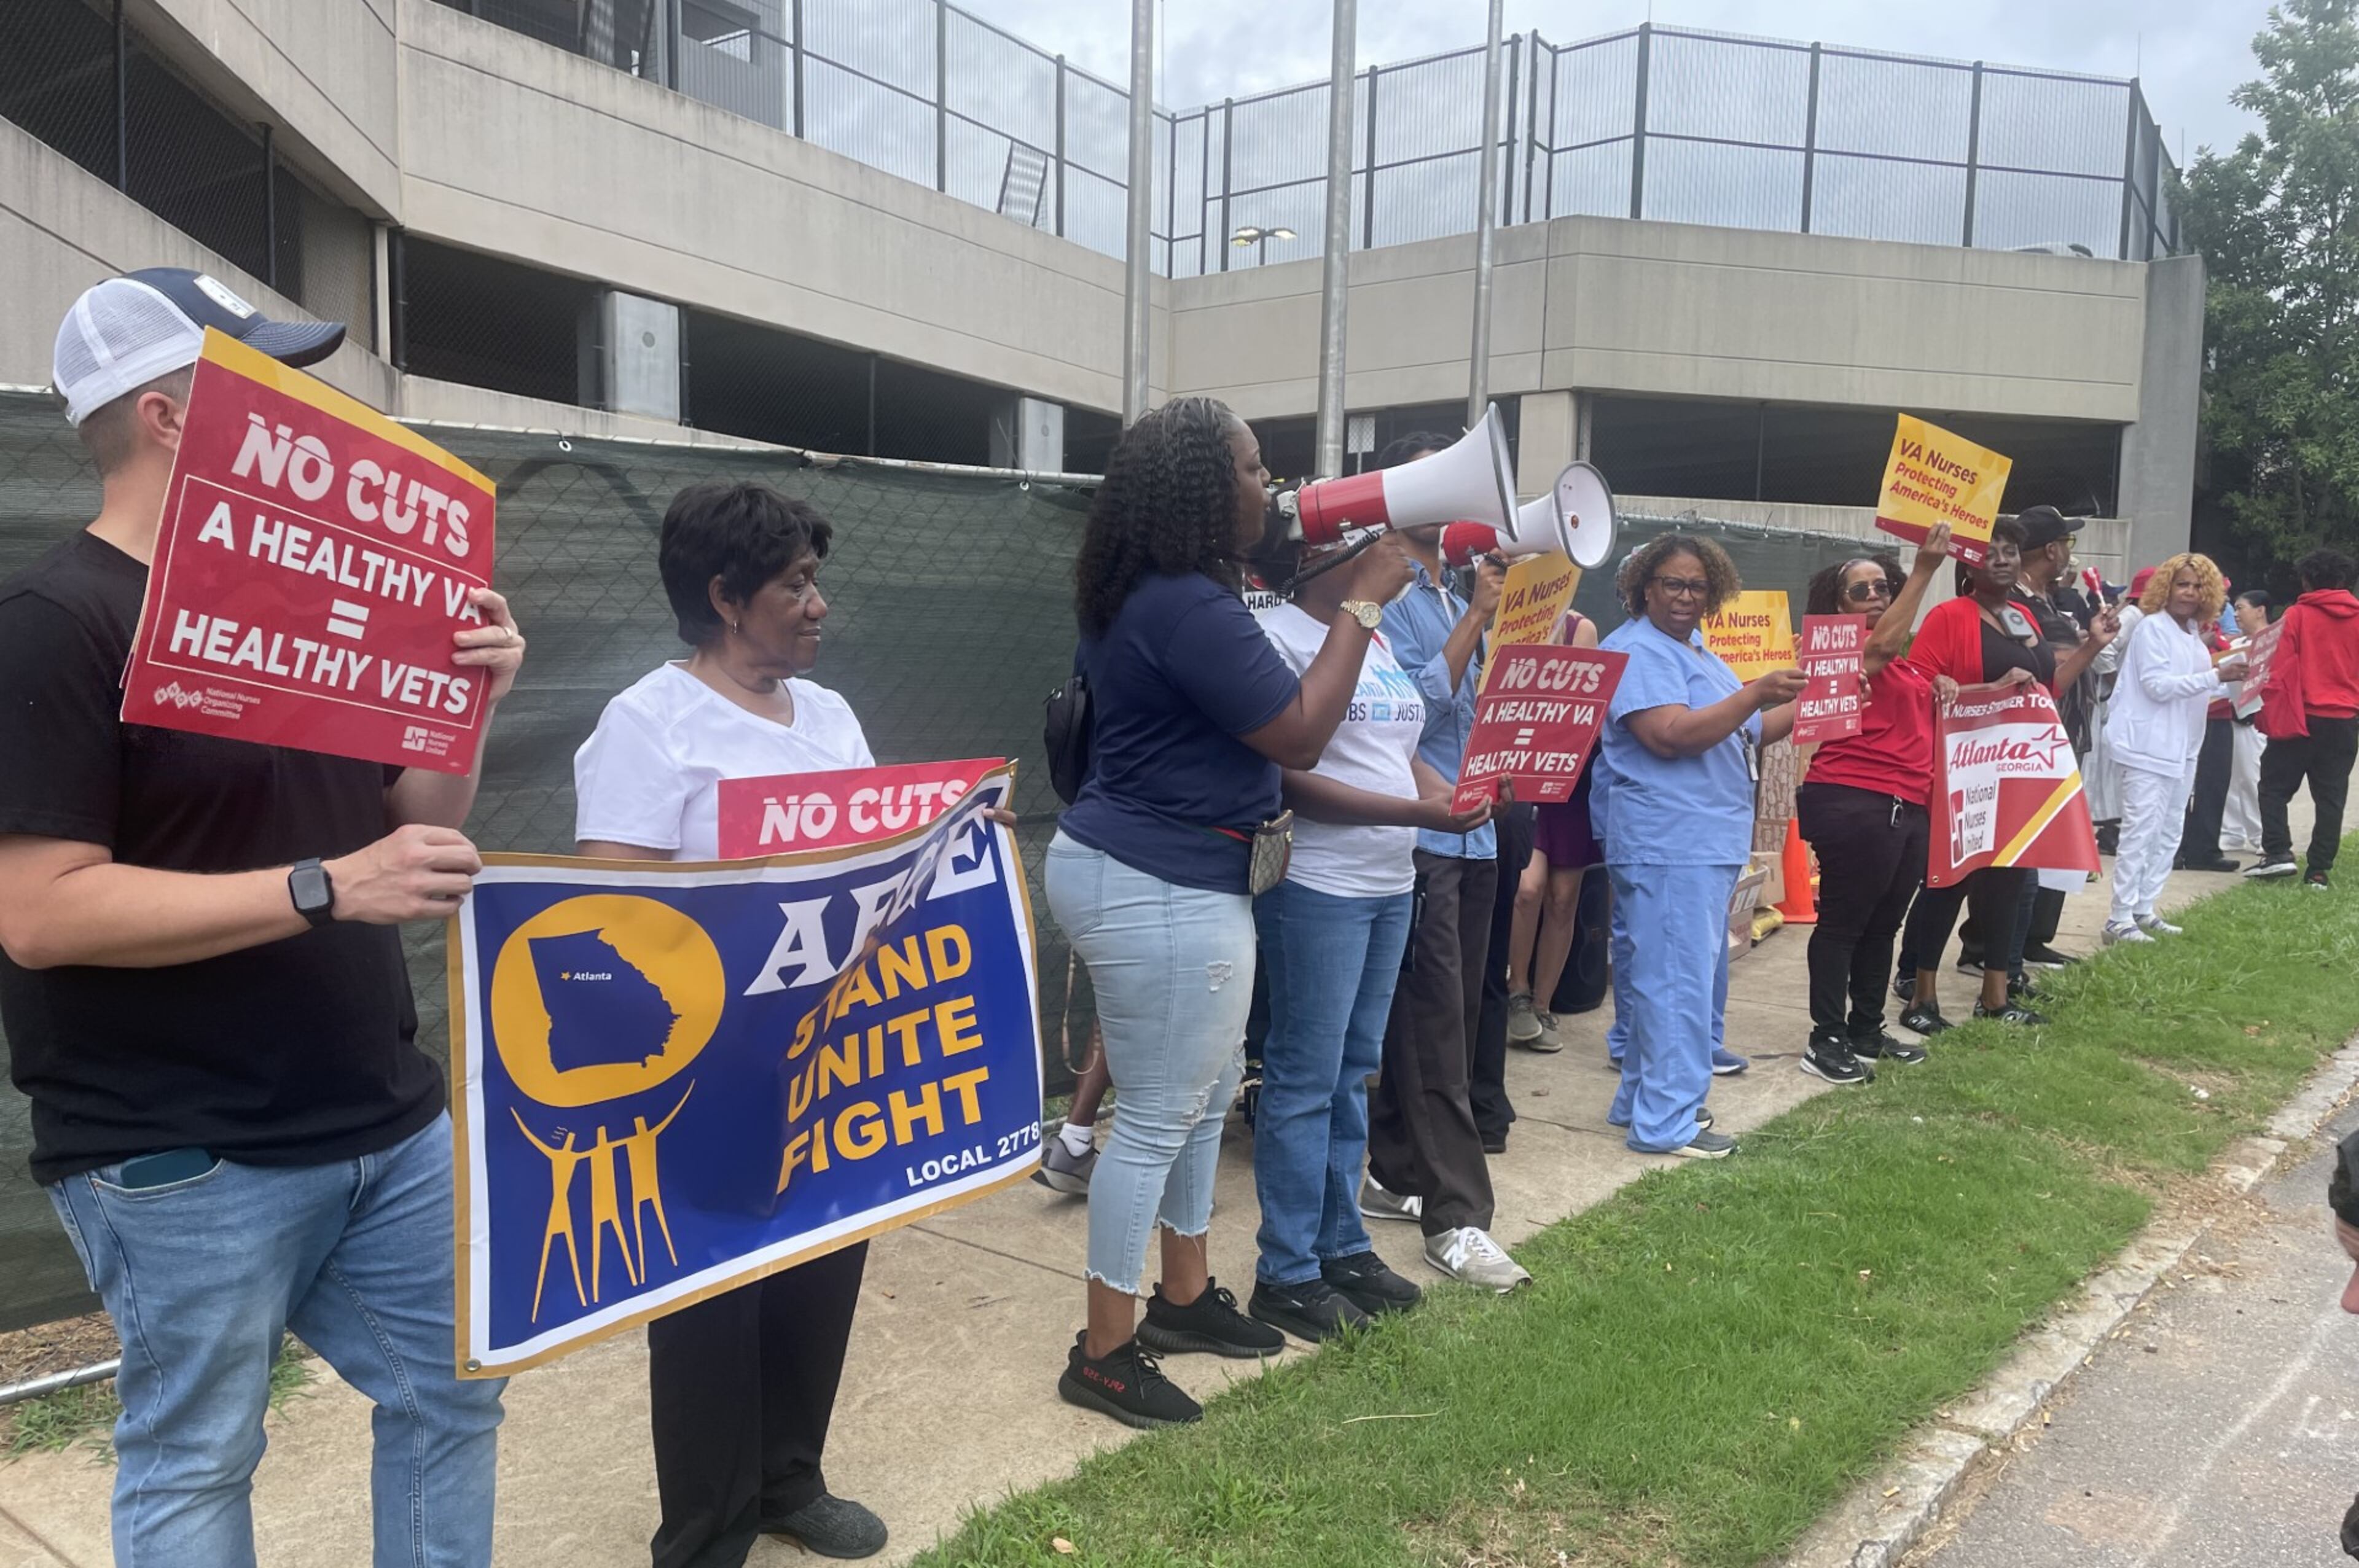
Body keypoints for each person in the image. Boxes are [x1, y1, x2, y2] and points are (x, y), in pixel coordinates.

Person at [0, 270, 519, 1564]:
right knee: (198, 1457)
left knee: (455, 1388)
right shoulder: (53, 623)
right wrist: (326, 887)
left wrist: (471, 698)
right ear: (176, 415)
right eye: (270, 376)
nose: (306, 404)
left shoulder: (304, 601)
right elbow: (40, 914)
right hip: (183, 1151)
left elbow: (414, 808)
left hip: (382, 1115)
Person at [1045, 396, 1414, 1427]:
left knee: (1200, 1100)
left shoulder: (1160, 593)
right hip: (1158, 880)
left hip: (1162, 872)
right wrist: (1366, 603)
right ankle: (1105, 1352)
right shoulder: (1186, 605)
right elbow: (1298, 733)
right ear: (1205, 490)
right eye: (1254, 469)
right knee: (1159, 1118)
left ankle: (1183, 1297)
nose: (1272, 486)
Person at [573, 482, 890, 1563]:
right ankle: (707, 1527)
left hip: (830, 1054)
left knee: (821, 1263)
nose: (818, 605)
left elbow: (875, 863)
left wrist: (956, 837)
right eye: (794, 584)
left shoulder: (833, 716)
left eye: (815, 580)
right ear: (723, 595)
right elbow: (609, 907)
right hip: (707, 1070)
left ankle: (789, 1476)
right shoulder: (648, 724)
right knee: (712, 1294)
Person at [1243, 528, 1490, 1340]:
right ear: (1320, 563)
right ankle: (1286, 1269)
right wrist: (1421, 813)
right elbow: (1294, 777)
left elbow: (1394, 749)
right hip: (1318, 883)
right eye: (1365, 546)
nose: (1394, 556)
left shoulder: (1369, 635)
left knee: (1353, 1071)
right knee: (1305, 1076)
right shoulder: (1277, 636)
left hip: (1389, 878)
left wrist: (1449, 794)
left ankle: (1340, 1245)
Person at [1358, 434, 1531, 1293]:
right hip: (1423, 835)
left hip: (1474, 832)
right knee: (1435, 1029)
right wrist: (1474, 620)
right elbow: (1407, 714)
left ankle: (1392, 1170)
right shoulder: (1385, 597)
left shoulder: (1441, 589)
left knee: (1449, 1018)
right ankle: (1457, 1217)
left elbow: (1466, 717)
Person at [1595, 534, 1807, 1158]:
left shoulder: (1694, 651)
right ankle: (1667, 1123)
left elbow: (1750, 730)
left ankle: (1642, 1100)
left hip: (1697, 837)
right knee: (1676, 983)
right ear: (1643, 587)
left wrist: (1814, 701)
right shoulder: (1637, 650)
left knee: (1665, 976)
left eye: (1697, 586)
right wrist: (1754, 691)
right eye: (1672, 583)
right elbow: (1669, 736)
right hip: (1669, 839)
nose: (1686, 596)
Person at [1894, 515, 2116, 1030]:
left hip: (2016, 773)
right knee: (1948, 883)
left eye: (2010, 550)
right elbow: (1919, 688)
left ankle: (1995, 996)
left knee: (2010, 881)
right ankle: (1920, 997)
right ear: (1967, 562)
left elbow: (2046, 687)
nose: (2001, 557)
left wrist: (2092, 646)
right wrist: (1978, 687)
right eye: (1988, 549)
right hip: (1964, 774)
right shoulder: (1950, 616)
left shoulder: (2024, 616)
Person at [1793, 525, 1957, 1085]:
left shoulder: (1908, 664)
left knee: (1883, 923)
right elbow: (1881, 649)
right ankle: (1827, 1036)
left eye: (1881, 587)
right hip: (1854, 797)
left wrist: (1950, 690)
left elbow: (1896, 667)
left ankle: (1866, 1027)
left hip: (1906, 803)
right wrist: (1925, 570)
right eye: (1859, 590)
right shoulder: (1829, 648)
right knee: (1843, 923)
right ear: (1836, 606)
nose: (1875, 597)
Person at [2099, 554, 2239, 946]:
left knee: (2168, 831)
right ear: (2166, 588)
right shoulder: (2152, 629)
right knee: (2141, 831)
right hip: (2147, 746)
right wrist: (2215, 674)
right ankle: (2119, 916)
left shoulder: (2191, 631)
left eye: (2197, 586)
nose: (2189, 593)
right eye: (2182, 584)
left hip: (2182, 746)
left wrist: (2236, 677)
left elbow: (2196, 685)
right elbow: (2159, 686)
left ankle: (2144, 907)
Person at [1502, 608, 1603, 1055]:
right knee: (1528, 888)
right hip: (1517, 769)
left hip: (1568, 776)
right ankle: (1517, 992)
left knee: (1564, 898)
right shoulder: (1494, 619)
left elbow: (1582, 708)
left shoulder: (1580, 627)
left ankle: (1543, 1005)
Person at [2250, 548, 2359, 889]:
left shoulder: (2296, 616)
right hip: (2344, 720)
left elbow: (2279, 670)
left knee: (2273, 788)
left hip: (2301, 716)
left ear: (2306, 580)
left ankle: (2279, 853)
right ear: (2345, 582)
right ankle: (2319, 871)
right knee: (2331, 797)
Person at [2222, 590, 2272, 855]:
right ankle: (2231, 832)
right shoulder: (2236, 646)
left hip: (2260, 718)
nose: (2237, 614)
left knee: (2254, 777)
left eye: (2241, 608)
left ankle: (2262, 834)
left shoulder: (2273, 642)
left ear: (2260, 610)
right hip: (2235, 714)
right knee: (2233, 777)